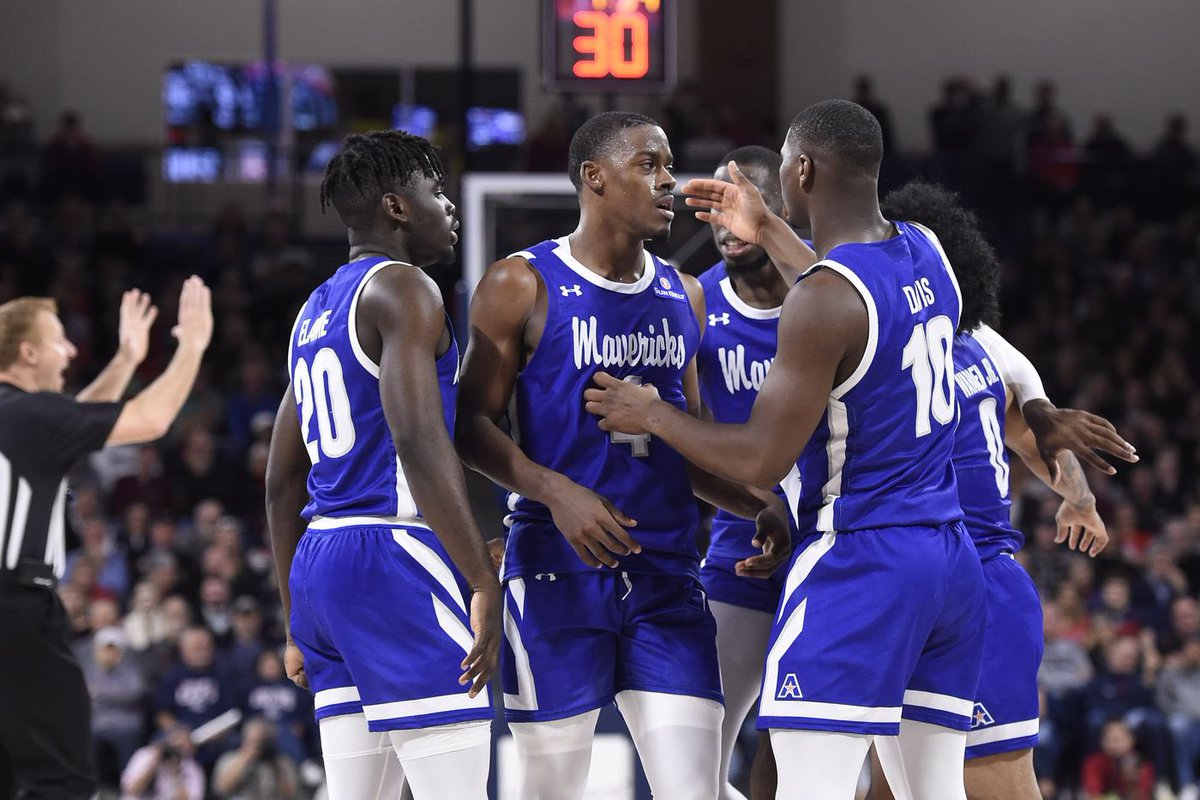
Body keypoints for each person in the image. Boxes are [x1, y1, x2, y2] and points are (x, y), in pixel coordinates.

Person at [583, 100, 1135, 799]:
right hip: (950, 564)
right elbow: (857, 295)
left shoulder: (819, 300)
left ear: (803, 170)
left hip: (862, 558)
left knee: (807, 785)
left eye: (788, 162)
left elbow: (760, 460)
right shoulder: (927, 252)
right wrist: (770, 229)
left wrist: (653, 413)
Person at [456, 110, 788, 800]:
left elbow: (689, 448)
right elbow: (468, 426)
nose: (668, 181)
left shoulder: (684, 293)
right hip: (556, 569)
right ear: (594, 177)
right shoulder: (521, 282)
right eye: (648, 165)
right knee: (551, 791)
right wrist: (556, 492)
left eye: (668, 165)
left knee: (696, 790)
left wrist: (757, 505)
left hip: (667, 575)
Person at [861, 180, 1133, 799]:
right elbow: (1033, 421)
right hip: (913, 579)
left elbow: (1032, 426)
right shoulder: (973, 343)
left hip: (980, 580)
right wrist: (1079, 498)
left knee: (999, 784)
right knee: (892, 787)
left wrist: (1080, 496)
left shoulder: (956, 340)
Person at [265, 130, 500, 800]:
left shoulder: (313, 311)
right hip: (389, 557)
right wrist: (480, 580)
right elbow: (418, 441)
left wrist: (294, 618)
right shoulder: (405, 288)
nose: (448, 205)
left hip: (319, 565)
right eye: (435, 189)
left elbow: (279, 481)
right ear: (397, 206)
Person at [0, 280, 212, 799]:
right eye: (58, 340)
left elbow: (71, 426)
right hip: (17, 612)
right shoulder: (31, 414)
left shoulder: (20, 419)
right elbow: (151, 418)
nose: (70, 351)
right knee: (62, 779)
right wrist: (192, 345)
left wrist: (124, 360)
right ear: (28, 353)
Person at [693, 145, 793, 800]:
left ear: (781, 207)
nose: (725, 224)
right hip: (743, 540)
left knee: (804, 749)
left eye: (739, 205)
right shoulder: (696, 301)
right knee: (698, 756)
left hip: (837, 539)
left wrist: (1034, 395)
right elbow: (688, 442)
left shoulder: (828, 286)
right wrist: (758, 505)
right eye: (713, 208)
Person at [212, 717, 300, 800]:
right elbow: (223, 788)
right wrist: (245, 757)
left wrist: (275, 766)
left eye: (264, 740)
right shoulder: (229, 758)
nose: (259, 744)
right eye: (255, 740)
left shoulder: (282, 762)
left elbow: (289, 794)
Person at [119, 726, 205, 800]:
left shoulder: (192, 768)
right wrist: (153, 764)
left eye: (182, 746)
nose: (177, 749)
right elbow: (131, 791)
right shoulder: (146, 755)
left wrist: (174, 774)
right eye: (176, 743)